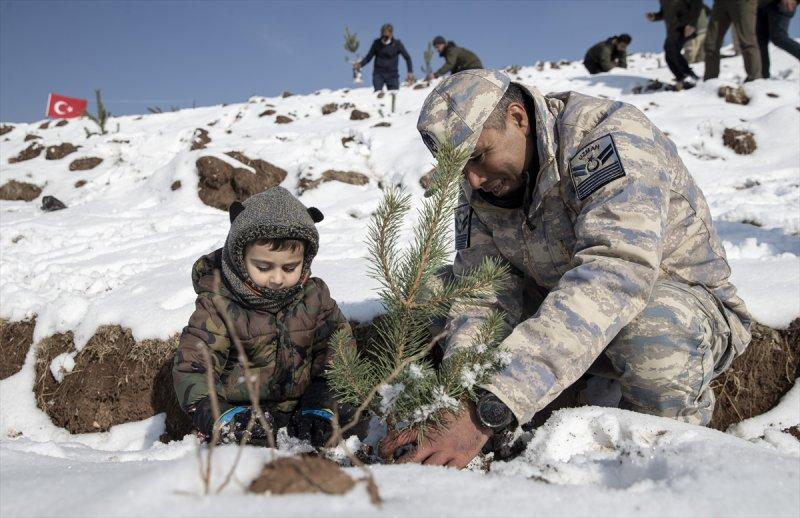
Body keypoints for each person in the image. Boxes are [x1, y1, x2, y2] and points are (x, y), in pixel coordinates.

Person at [381, 69, 751, 468]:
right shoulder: (482, 183)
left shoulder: (607, 137)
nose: (472, 179)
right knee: (431, 293)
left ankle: (669, 466)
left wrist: (492, 404)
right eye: (459, 167)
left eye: (477, 155)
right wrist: (460, 396)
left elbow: (616, 274)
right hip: (561, 303)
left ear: (518, 119)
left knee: (652, 335)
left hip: (674, 304)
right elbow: (481, 296)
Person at [173, 187, 359, 447]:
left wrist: (321, 404)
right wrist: (219, 415)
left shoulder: (314, 298)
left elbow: (339, 354)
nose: (277, 278)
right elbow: (193, 366)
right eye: (263, 267)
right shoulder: (219, 303)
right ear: (239, 258)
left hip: (303, 414)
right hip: (240, 419)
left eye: (290, 267)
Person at [647, 1, 703, 87]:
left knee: (670, 47)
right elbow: (664, 12)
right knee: (669, 54)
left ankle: (687, 76)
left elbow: (697, 4)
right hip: (672, 29)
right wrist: (655, 16)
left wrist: (692, 24)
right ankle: (683, 77)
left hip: (684, 26)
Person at [703, 0, 762, 81]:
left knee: (747, 41)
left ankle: (755, 80)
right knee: (711, 43)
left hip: (743, 2)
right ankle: (710, 81)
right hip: (720, 3)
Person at [354, 23, 414, 92]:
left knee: (393, 95)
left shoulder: (397, 44)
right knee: (378, 94)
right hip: (378, 74)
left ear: (391, 34)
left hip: (393, 75)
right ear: (381, 33)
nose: (385, 37)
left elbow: (407, 58)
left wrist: (410, 72)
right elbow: (368, 57)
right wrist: (360, 64)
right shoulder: (376, 43)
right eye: (383, 34)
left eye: (387, 35)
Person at [756, 0, 800, 78]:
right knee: (760, 40)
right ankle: (762, 75)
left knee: (779, 37)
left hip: (781, 3)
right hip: (761, 4)